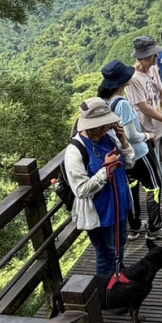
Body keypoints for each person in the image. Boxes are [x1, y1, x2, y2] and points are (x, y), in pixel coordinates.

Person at [99, 59, 162, 245]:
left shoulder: (104, 102)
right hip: (139, 153)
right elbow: (131, 134)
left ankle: (134, 226)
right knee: (153, 187)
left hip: (123, 155)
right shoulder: (123, 104)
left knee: (132, 187)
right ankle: (155, 228)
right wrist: (147, 136)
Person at [63, 98, 136, 277]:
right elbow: (81, 190)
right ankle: (105, 294)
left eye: (107, 123)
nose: (105, 128)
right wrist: (106, 170)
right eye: (100, 125)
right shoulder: (75, 151)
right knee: (106, 254)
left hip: (120, 204)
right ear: (87, 126)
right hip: (100, 212)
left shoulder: (110, 136)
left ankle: (118, 278)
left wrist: (123, 141)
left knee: (120, 245)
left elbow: (130, 162)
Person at [128, 35, 162, 210]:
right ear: (141, 57)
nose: (156, 57)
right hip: (147, 129)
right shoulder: (133, 79)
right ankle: (160, 201)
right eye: (152, 55)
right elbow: (143, 107)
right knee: (154, 166)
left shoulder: (154, 69)